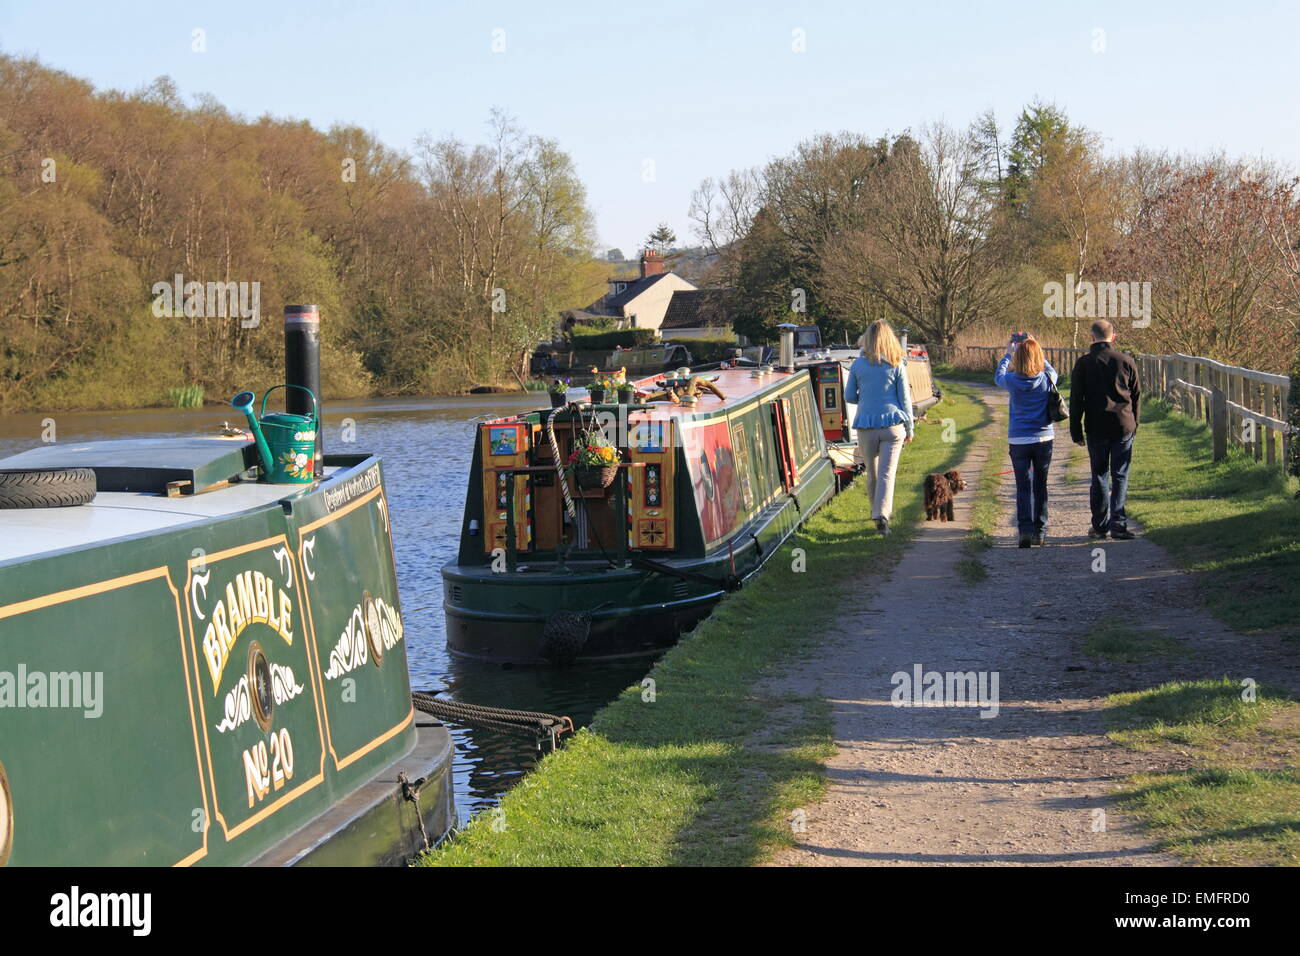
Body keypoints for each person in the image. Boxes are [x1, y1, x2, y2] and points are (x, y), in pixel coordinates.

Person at [1070, 319, 1141, 540]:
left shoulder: (1084, 363)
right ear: (1114, 337)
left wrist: (1076, 431)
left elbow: (1076, 400)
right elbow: (1137, 396)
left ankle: (1099, 527)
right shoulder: (1126, 360)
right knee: (1120, 475)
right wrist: (1135, 423)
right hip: (1123, 424)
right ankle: (1118, 525)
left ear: (1092, 337)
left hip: (1096, 426)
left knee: (1099, 476)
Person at [844, 320, 913, 535]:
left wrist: (866, 397)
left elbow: (848, 396)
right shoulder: (896, 363)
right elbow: (905, 400)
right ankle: (881, 515)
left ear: (867, 339)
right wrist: (910, 428)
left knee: (871, 474)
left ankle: (877, 517)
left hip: (866, 425)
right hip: (893, 426)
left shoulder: (857, 365)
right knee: (887, 474)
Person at [995, 333, 1057, 548]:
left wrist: (1007, 353)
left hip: (1019, 439)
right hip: (1043, 438)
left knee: (1022, 487)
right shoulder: (1046, 379)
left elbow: (998, 376)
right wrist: (1038, 348)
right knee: (1041, 486)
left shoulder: (1012, 380)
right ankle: (1040, 531)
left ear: (1018, 358)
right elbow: (1053, 371)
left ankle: (1024, 532)